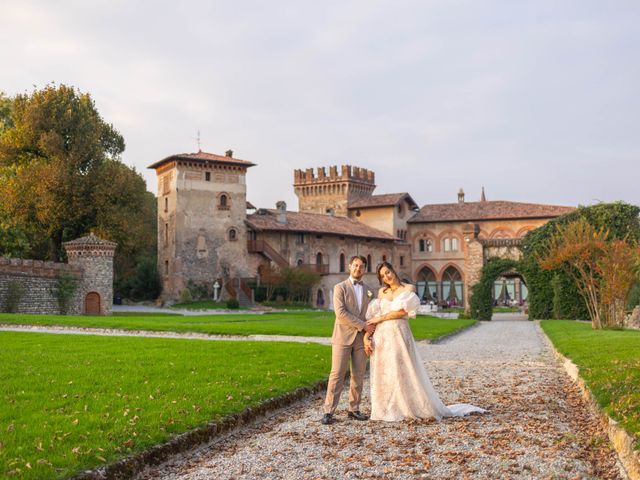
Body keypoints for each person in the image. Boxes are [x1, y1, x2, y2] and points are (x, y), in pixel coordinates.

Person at [364, 262, 485, 422]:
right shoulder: (381, 292)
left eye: (388, 272)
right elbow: (373, 317)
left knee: (403, 367)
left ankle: (407, 405)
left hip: (400, 333)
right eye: (383, 275)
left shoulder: (408, 289)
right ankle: (388, 407)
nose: (387, 276)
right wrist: (367, 337)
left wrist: (381, 317)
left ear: (393, 270)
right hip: (382, 335)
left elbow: (402, 312)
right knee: (385, 370)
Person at [321, 255, 376, 425]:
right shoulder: (340, 288)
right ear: (350, 267)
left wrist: (369, 333)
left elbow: (372, 315)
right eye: (355, 265)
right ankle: (329, 411)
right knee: (337, 374)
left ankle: (354, 409)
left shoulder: (369, 290)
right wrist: (363, 326)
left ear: (365, 269)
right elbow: (341, 313)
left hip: (361, 339)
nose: (358, 269)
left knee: (358, 374)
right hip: (342, 337)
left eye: (361, 266)